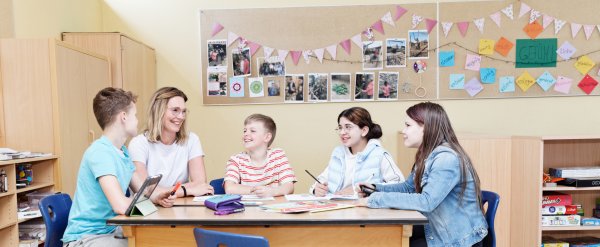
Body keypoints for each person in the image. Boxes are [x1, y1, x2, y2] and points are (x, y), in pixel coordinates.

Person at [356, 102, 487, 247]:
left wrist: (376, 199)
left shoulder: (446, 159)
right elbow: (409, 187)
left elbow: (426, 202)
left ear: (425, 127)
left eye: (408, 125)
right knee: (384, 237)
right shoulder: (427, 154)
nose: (404, 131)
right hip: (439, 227)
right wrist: (376, 188)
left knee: (391, 241)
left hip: (457, 238)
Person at [63, 88, 174, 247]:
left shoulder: (122, 151)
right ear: (123, 117)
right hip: (86, 237)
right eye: (134, 115)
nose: (137, 120)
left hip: (111, 231)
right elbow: (121, 205)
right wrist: (145, 204)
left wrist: (156, 197)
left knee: (158, 239)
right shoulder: (100, 152)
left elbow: (140, 190)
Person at [129, 87, 213, 206]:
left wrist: (164, 192)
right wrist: (186, 190)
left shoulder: (191, 140)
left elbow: (200, 184)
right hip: (149, 210)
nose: (181, 116)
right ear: (158, 111)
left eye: (184, 111)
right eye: (175, 110)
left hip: (180, 207)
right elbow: (145, 190)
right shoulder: (139, 143)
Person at [310, 107, 404, 196]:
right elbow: (318, 182)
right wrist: (316, 190)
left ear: (364, 130)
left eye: (348, 127)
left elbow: (399, 185)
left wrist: (358, 189)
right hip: (337, 209)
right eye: (340, 127)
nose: (342, 132)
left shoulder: (379, 155)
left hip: (367, 210)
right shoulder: (338, 154)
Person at [224, 114, 296, 197]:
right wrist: (259, 191)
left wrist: (273, 192)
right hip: (248, 209)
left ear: (267, 137)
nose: (246, 134)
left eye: (252, 131)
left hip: (274, 206)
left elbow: (289, 186)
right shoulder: (236, 160)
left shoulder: (278, 155)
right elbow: (229, 188)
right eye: (245, 131)